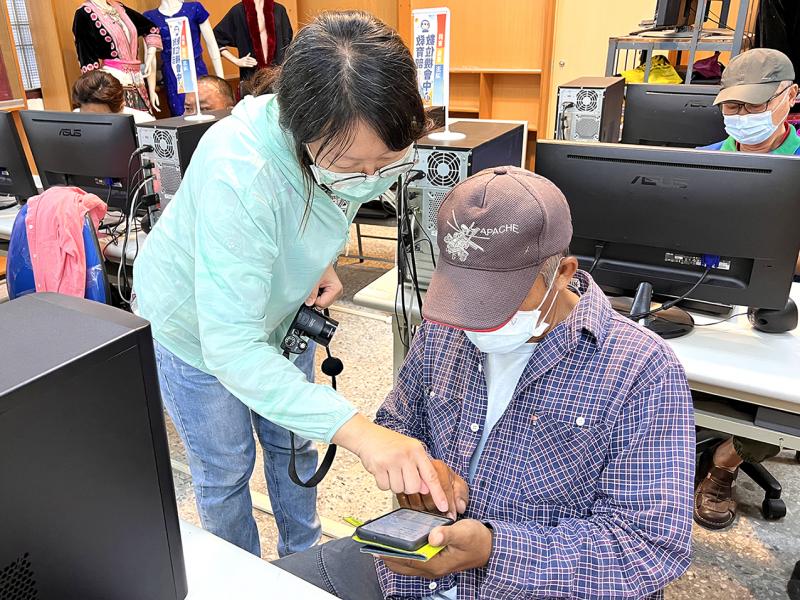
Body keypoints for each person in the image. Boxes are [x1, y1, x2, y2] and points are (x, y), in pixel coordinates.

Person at [275, 167, 695, 599]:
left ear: (563, 273)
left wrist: (494, 550)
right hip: (412, 574)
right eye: (463, 292)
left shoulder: (641, 369)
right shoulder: (445, 328)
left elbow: (647, 547)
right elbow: (398, 422)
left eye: (497, 300)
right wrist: (420, 473)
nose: (474, 318)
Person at [132, 11, 448, 559]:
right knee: (226, 467)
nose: (370, 178)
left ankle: (303, 560)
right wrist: (360, 433)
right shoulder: (240, 170)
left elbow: (328, 200)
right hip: (196, 329)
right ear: (300, 126)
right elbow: (231, 347)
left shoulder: (348, 149)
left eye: (388, 162)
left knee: (295, 448)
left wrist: (316, 261)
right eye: (351, 164)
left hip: (280, 312)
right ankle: (242, 578)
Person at [695, 47, 799, 531]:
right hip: (704, 295)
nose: (741, 116)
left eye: (753, 105)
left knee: (780, 399)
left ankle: (726, 461)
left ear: (790, 98)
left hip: (780, 307)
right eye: (732, 106)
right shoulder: (699, 163)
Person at [71, 70, 154, 123]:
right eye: (88, 117)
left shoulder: (143, 122)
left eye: (103, 118)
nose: (94, 123)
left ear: (122, 106)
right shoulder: (75, 119)